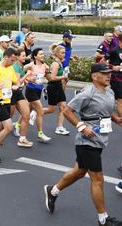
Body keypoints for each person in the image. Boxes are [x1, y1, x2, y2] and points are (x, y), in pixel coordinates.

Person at [44, 63, 122, 226]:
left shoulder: (109, 90)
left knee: (79, 172)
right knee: (98, 179)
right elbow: (67, 111)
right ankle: (103, 219)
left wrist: (115, 119)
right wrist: (81, 126)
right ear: (94, 76)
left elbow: (105, 111)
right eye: (104, 73)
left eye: (109, 73)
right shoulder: (87, 93)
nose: (108, 76)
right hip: (87, 141)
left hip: (100, 139)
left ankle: (52, 191)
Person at [24, 48, 51, 142]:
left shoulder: (44, 65)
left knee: (28, 110)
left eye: (43, 54)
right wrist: (28, 80)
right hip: (30, 90)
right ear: (35, 56)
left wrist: (48, 71)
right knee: (40, 111)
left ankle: (18, 125)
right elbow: (20, 73)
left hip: (38, 90)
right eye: (40, 54)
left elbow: (48, 75)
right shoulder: (31, 65)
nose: (43, 55)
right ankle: (40, 134)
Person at [43, 45, 70, 135]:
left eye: (64, 53)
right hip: (53, 87)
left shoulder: (60, 63)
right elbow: (52, 78)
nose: (64, 54)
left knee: (63, 107)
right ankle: (37, 112)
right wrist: (64, 76)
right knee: (51, 110)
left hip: (58, 86)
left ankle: (59, 127)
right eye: (62, 53)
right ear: (57, 53)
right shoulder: (55, 64)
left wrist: (64, 80)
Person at [10, 49, 33, 147]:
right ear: (18, 57)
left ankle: (22, 139)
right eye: (23, 56)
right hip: (11, 93)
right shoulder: (15, 66)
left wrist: (28, 80)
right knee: (7, 117)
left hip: (18, 93)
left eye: (25, 56)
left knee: (26, 115)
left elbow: (22, 81)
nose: (25, 57)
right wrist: (27, 75)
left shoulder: (21, 66)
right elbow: (17, 82)